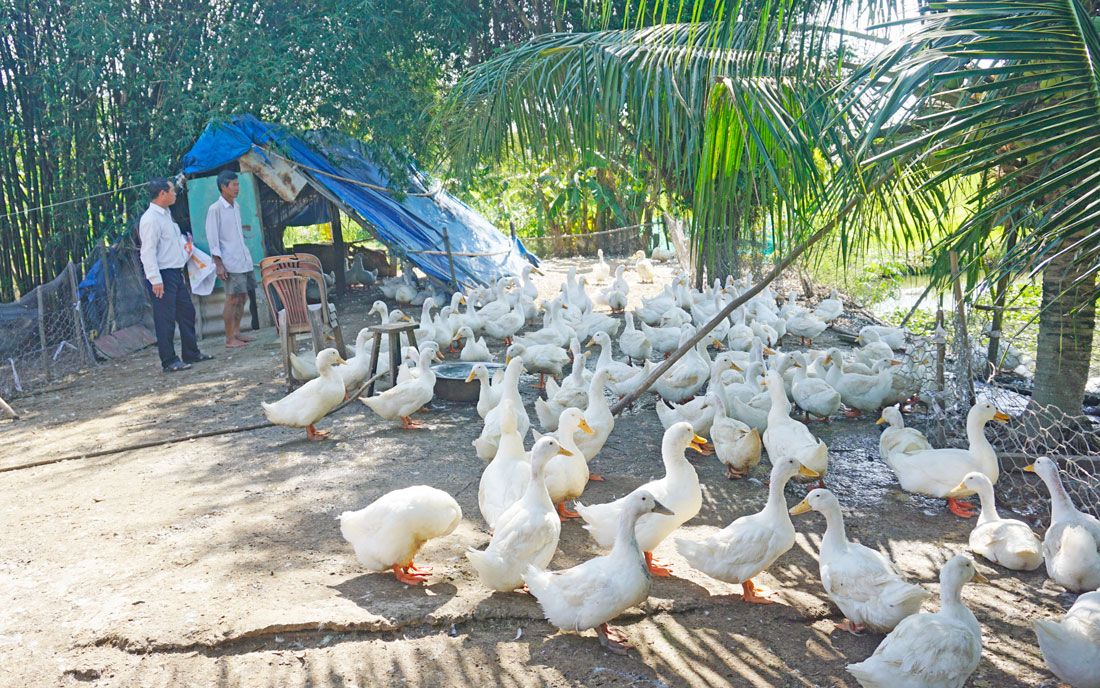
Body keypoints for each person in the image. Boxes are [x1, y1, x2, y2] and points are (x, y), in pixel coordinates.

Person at [139, 177, 213, 373]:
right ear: (162, 194)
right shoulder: (150, 219)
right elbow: (147, 252)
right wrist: (155, 280)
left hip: (175, 272)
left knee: (187, 312)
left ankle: (191, 352)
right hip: (162, 275)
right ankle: (169, 360)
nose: (175, 194)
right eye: (172, 191)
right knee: (165, 319)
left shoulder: (166, 215)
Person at [205, 170, 256, 348]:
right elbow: (213, 238)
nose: (237, 188)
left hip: (242, 259)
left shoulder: (236, 206)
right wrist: (218, 264)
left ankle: (236, 332)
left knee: (242, 297)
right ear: (223, 187)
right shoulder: (215, 209)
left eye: (238, 184)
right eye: (234, 185)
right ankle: (229, 338)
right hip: (229, 261)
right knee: (232, 298)